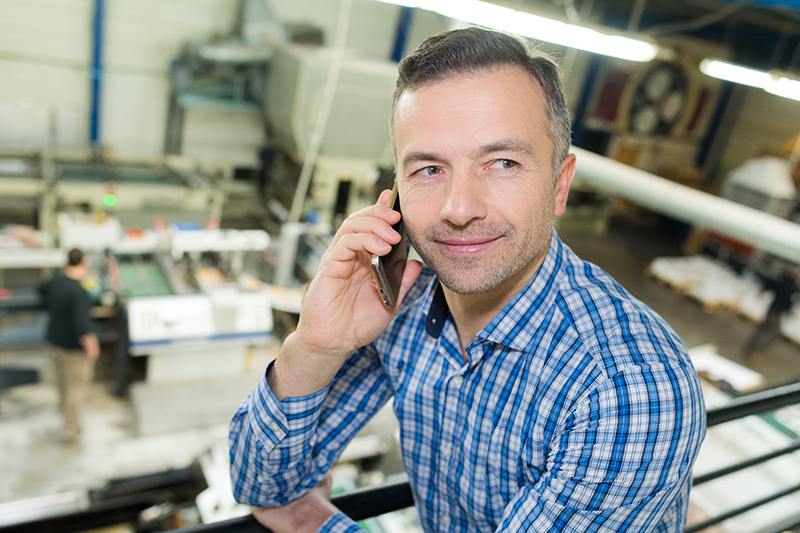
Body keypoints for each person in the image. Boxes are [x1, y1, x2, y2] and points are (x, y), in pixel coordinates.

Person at [229, 27, 706, 533]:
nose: (459, 209)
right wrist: (314, 347)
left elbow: (288, 507)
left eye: (502, 163)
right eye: (429, 169)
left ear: (559, 185)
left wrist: (313, 524)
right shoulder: (402, 307)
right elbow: (261, 486)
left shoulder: (628, 388)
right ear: (395, 193)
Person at [39, 248, 99, 444]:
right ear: (84, 262)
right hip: (73, 350)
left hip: (54, 343)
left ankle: (65, 419)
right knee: (76, 389)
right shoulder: (79, 291)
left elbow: (40, 289)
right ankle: (70, 430)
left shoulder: (56, 282)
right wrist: (91, 346)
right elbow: (81, 325)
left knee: (63, 387)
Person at [745, 267, 800, 364]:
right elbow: (787, 299)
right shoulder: (788, 284)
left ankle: (750, 349)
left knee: (764, 330)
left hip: (773, 311)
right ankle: (754, 351)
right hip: (775, 312)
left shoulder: (785, 281)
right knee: (771, 333)